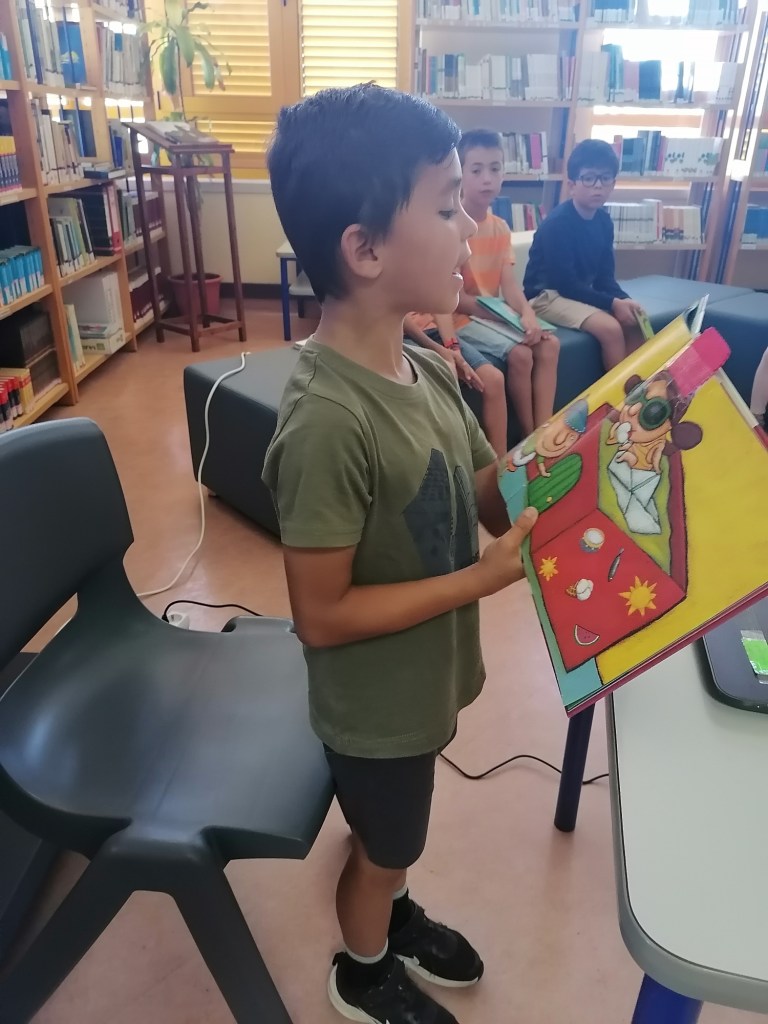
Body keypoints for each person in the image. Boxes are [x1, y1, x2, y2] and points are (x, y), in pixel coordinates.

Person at [262, 84, 537, 1024]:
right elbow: (321, 615)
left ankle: (395, 906)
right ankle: (364, 967)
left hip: (420, 684)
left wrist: (562, 459)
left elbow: (486, 493)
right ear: (366, 249)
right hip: (374, 709)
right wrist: (478, 580)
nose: (471, 227)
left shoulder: (421, 366)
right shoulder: (326, 422)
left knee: (398, 831)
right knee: (384, 847)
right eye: (449, 205)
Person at [436, 129, 561, 439]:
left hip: (491, 313)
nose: (487, 179)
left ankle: (544, 430)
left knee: (550, 344)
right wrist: (503, 315)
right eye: (476, 170)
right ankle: (530, 437)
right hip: (464, 318)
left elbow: (510, 286)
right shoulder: (453, 225)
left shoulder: (501, 227)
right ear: (461, 175)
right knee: (521, 354)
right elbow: (457, 299)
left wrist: (526, 314)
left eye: (495, 169)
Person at [523, 138, 646, 371]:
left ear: (613, 183)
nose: (597, 186)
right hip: (545, 297)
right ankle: (620, 391)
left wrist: (624, 300)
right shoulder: (558, 223)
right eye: (589, 178)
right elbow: (565, 284)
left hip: (574, 293)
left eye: (605, 178)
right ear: (572, 185)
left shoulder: (604, 222)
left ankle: (639, 384)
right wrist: (612, 303)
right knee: (610, 329)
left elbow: (605, 279)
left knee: (635, 319)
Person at [402, 310, 509, 456]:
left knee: (493, 378)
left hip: (432, 331)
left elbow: (442, 306)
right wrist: (439, 351)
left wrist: (453, 348)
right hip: (403, 340)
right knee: (446, 378)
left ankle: (500, 460)